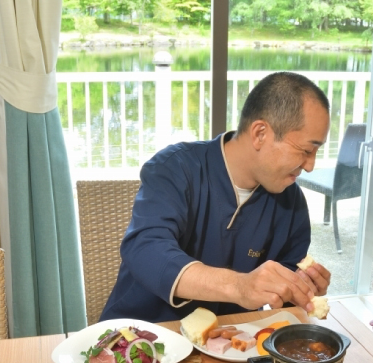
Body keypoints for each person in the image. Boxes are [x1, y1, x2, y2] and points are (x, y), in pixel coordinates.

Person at [100, 72, 332, 323]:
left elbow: (280, 303)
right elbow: (146, 249)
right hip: (144, 335)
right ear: (260, 133)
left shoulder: (291, 202)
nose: (310, 166)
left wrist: (300, 289)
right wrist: (240, 286)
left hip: (230, 346)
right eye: (306, 150)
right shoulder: (176, 168)